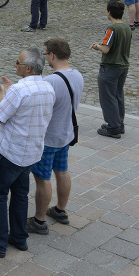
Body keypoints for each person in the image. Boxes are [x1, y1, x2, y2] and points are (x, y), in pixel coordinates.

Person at [0, 48, 54, 258]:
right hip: (31, 151)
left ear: (28, 68)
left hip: (11, 151)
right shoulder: (48, 87)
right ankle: (19, 238)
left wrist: (1, 92)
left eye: (17, 63)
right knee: (20, 194)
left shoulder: (19, 90)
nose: (15, 65)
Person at [27, 39, 83, 235]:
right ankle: (60, 210)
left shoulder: (51, 81)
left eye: (46, 53)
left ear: (52, 55)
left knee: (42, 179)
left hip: (49, 138)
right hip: (66, 134)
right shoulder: (78, 75)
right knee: (62, 171)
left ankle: (40, 220)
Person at [92, 0, 132, 139]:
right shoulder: (127, 28)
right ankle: (119, 123)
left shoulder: (111, 29)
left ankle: (113, 127)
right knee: (118, 96)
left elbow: (106, 49)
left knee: (108, 97)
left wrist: (97, 45)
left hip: (110, 68)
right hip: (123, 67)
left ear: (109, 12)